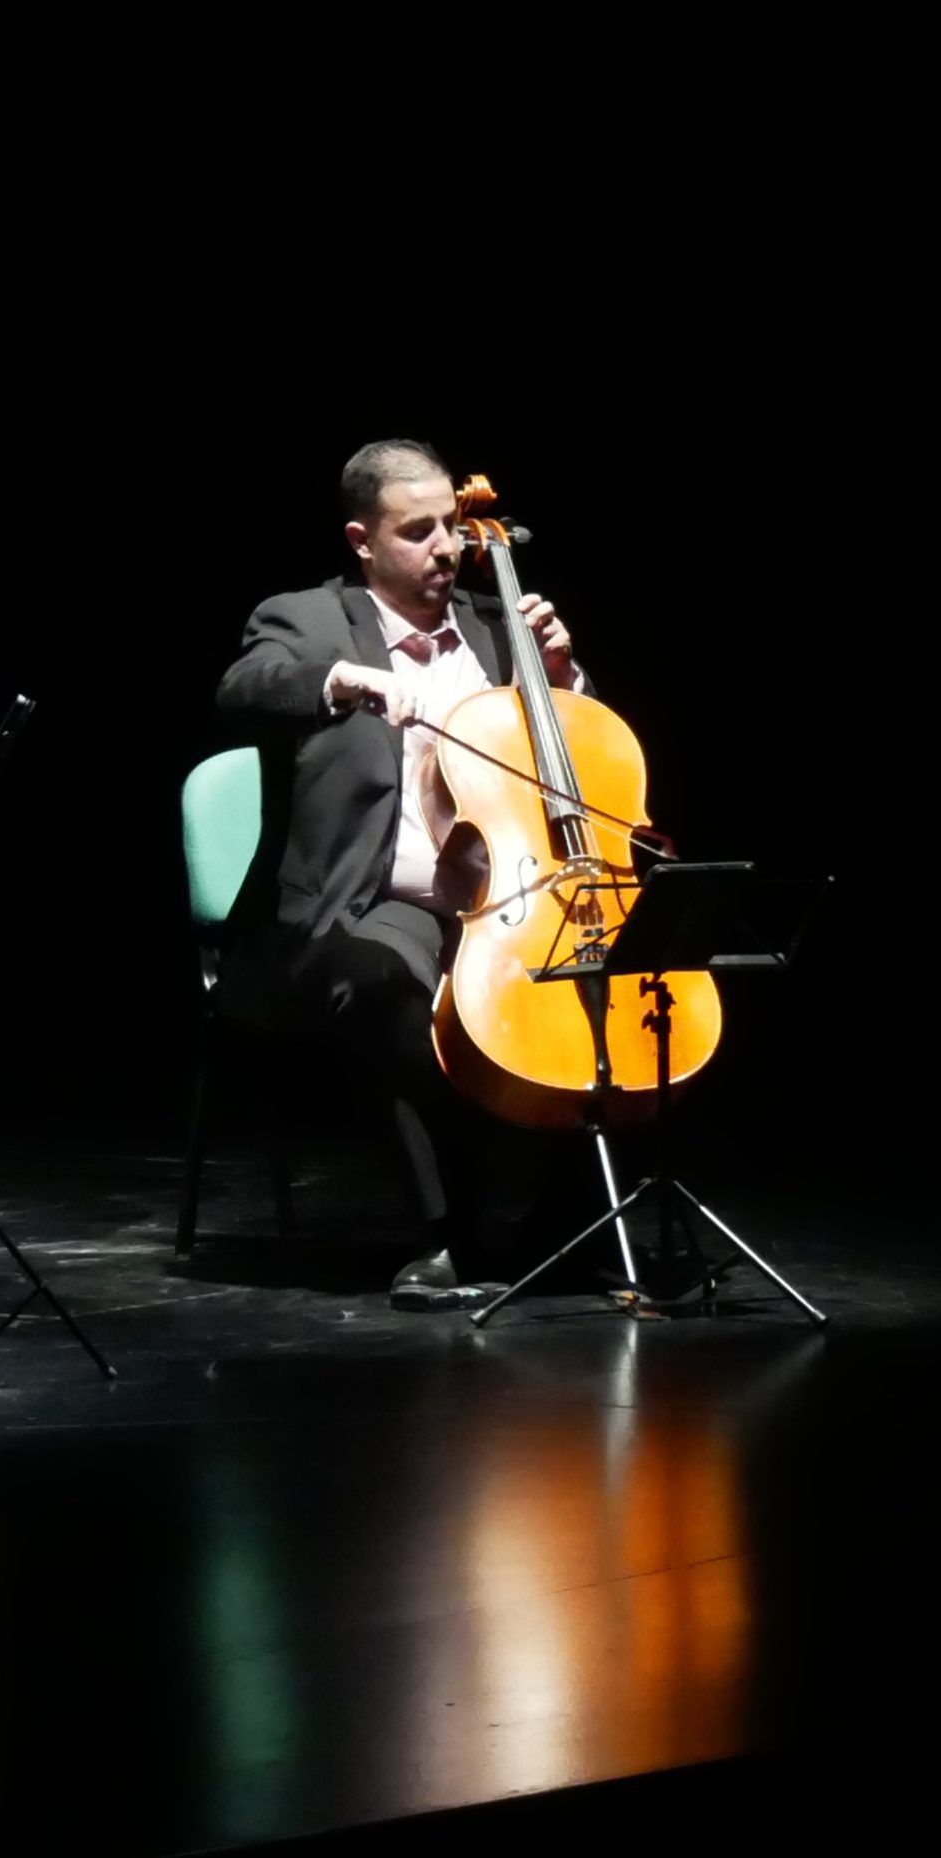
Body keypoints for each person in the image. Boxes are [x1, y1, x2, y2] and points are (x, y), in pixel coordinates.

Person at [213, 439, 585, 1309]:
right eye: (417, 532)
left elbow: (582, 756)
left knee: (608, 980)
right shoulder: (306, 620)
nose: (447, 549)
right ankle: (451, 1239)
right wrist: (343, 681)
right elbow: (246, 684)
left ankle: (561, 1224)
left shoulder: (502, 634)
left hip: (512, 899)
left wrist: (562, 676)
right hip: (375, 905)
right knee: (390, 984)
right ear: (362, 540)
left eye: (452, 528)